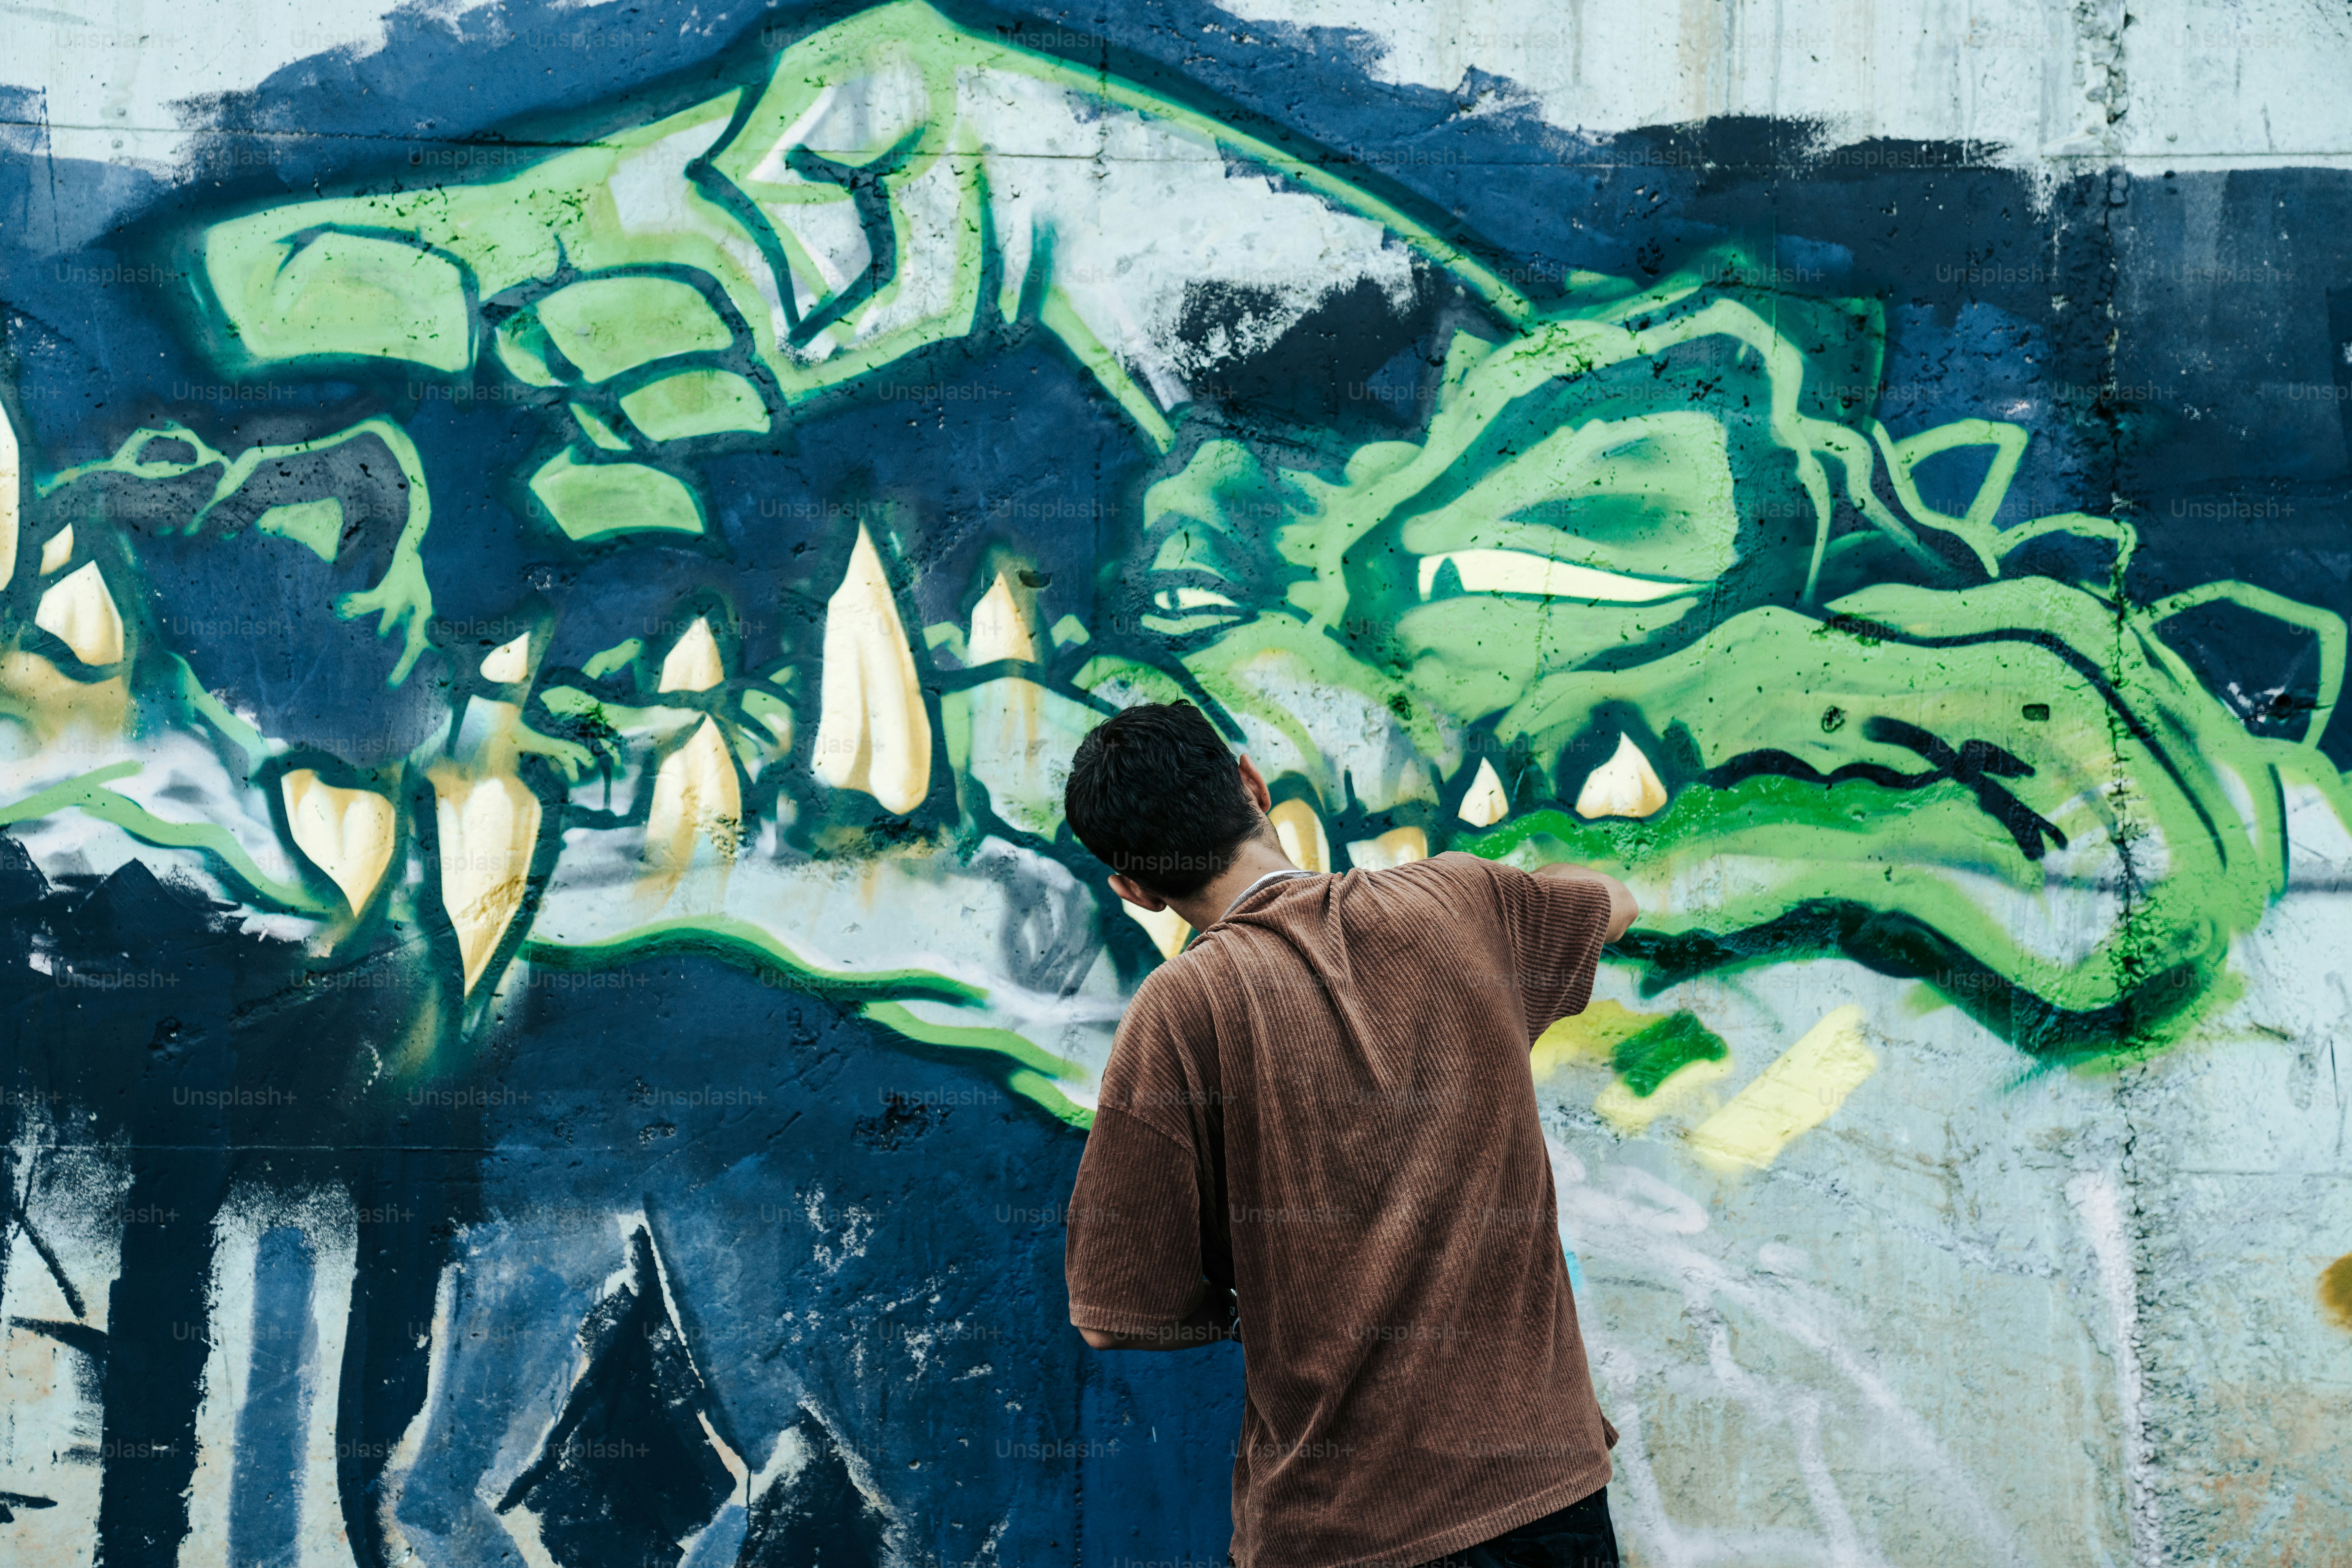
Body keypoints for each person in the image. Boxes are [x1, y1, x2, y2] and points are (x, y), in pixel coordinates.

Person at [1060, 700, 1639, 1568]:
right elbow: (1616, 902)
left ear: (1134, 890)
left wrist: (1257, 1298)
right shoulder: (1458, 900)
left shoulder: (1180, 1011)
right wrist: (1519, 893)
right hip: (1542, 1493)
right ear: (1253, 785)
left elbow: (1117, 1315)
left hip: (1341, 1530)